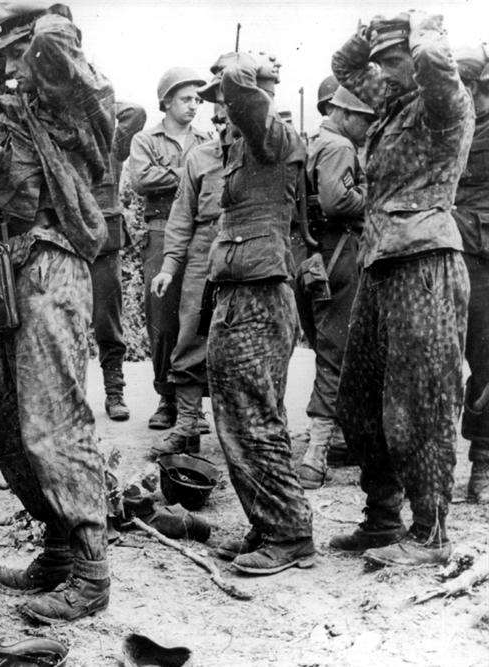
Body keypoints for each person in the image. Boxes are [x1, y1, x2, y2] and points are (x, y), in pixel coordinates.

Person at [0, 1, 113, 623]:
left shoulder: (79, 105)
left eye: (27, 52)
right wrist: (2, 48)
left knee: (54, 422)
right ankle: (56, 548)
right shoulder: (3, 104)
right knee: (8, 424)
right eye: (10, 52)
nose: (20, 64)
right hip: (6, 265)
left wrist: (42, 26)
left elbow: (60, 60)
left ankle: (91, 571)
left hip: (52, 260)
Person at [330, 12, 473, 566]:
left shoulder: (444, 107)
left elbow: (437, 66)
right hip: (381, 262)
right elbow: (344, 64)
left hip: (426, 261)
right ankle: (382, 519)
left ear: (413, 60)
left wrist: (420, 30)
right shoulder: (392, 105)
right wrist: (372, 31)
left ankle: (431, 532)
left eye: (395, 63)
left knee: (420, 402)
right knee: (359, 400)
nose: (383, 73)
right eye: (383, 64)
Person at [205, 53, 316, 575]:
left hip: (261, 295)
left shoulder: (274, 138)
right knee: (234, 417)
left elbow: (248, 104)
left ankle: (290, 533)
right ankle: (266, 522)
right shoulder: (237, 147)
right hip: (235, 292)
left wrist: (236, 71)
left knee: (256, 417)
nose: (219, 116)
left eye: (224, 106)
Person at [295, 86, 374, 488]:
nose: (369, 125)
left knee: (327, 346)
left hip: (311, 258)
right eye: (365, 117)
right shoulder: (340, 145)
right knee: (337, 352)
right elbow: (337, 202)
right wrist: (372, 195)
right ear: (343, 112)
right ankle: (316, 454)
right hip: (339, 255)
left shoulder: (311, 141)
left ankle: (339, 439)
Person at [127, 66, 212, 431]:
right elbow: (142, 179)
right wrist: (190, 171)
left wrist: (173, 172)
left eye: (197, 99)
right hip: (160, 233)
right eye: (186, 99)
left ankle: (193, 403)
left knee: (197, 316)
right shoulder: (145, 140)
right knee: (162, 320)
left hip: (200, 234)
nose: (194, 105)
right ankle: (167, 398)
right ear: (166, 102)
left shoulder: (207, 138)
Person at [149, 74, 227, 456]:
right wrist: (168, 266)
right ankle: (187, 422)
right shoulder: (201, 157)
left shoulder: (267, 154)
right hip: (202, 250)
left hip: (247, 253)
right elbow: (181, 218)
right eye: (222, 115)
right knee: (190, 333)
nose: (226, 122)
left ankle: (242, 428)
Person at [451, 45, 489, 503]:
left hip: (482, 256)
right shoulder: (447, 125)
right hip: (445, 247)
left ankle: (483, 462)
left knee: (485, 358)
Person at [92, 101, 146, 421]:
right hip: (67, 241)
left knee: (107, 320)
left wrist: (96, 98)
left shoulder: (112, 146)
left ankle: (115, 391)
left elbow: (135, 112)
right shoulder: (66, 140)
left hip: (105, 243)